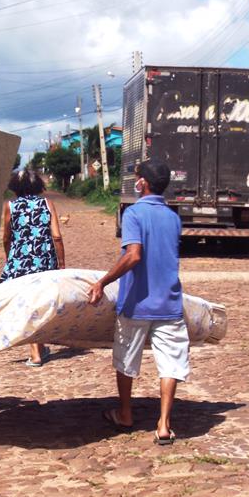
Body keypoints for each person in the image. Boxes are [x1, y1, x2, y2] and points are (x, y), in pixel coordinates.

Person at [87, 160, 188, 446]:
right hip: (169, 303)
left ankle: (125, 413)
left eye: (137, 177)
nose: (136, 181)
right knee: (170, 365)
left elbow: (133, 255)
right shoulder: (173, 217)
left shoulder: (133, 214)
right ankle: (164, 424)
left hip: (136, 304)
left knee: (126, 361)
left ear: (143, 183)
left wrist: (102, 282)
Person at [1, 169, 66, 367]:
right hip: (44, 262)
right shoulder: (47, 204)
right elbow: (56, 236)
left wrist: (10, 256)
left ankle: (36, 352)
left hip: (20, 262)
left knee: (27, 306)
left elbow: (6, 237)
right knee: (41, 304)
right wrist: (61, 264)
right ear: (38, 185)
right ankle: (40, 348)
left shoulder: (10, 206)